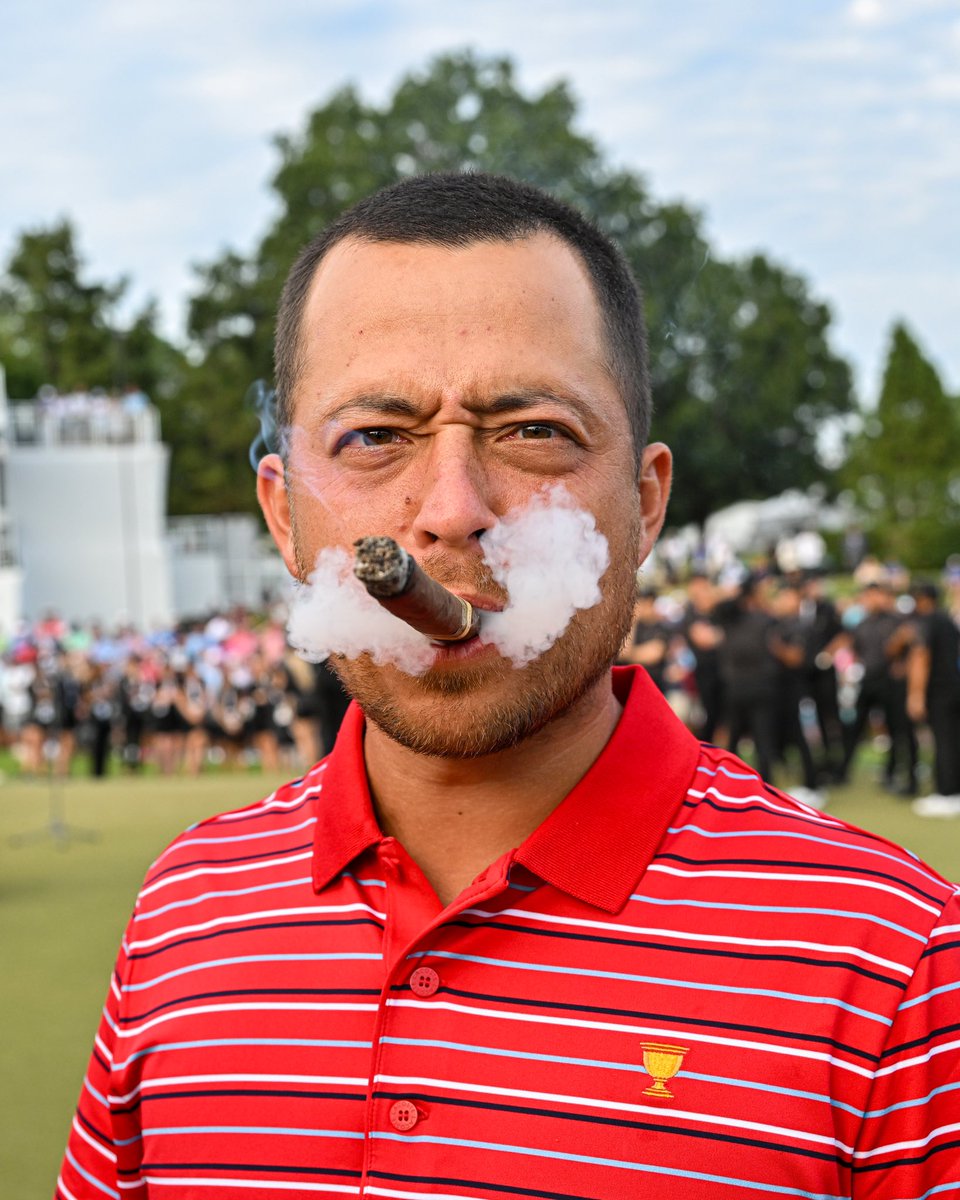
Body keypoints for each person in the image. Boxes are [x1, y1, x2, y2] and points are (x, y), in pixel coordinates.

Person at [58, 172, 959, 1200]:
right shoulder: (186, 910)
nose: (452, 512)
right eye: (373, 437)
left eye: (533, 430)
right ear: (283, 513)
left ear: (646, 501)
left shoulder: (896, 962)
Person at [908, 581, 960, 815]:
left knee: (944, 741)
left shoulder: (928, 622)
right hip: (953, 686)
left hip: (939, 690)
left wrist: (915, 695)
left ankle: (947, 793)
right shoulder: (947, 621)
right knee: (952, 740)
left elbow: (921, 657)